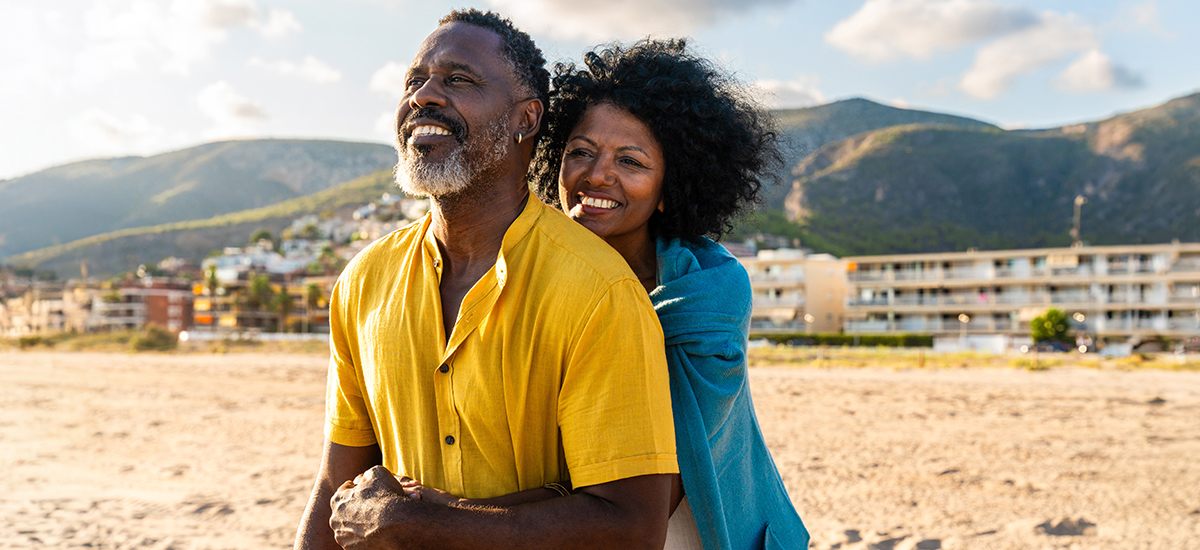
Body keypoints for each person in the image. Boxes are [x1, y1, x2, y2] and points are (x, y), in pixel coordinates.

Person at [292, 11, 680, 550]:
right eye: (414, 80)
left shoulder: (599, 291)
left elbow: (631, 527)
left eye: (459, 80)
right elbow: (339, 482)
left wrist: (421, 526)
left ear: (526, 118)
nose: (424, 95)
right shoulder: (364, 281)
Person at [404, 39, 810, 550]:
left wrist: (439, 515)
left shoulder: (707, 289)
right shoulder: (528, 271)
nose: (598, 175)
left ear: (671, 184)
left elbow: (650, 492)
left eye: (632, 162)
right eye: (581, 152)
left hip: (703, 528)